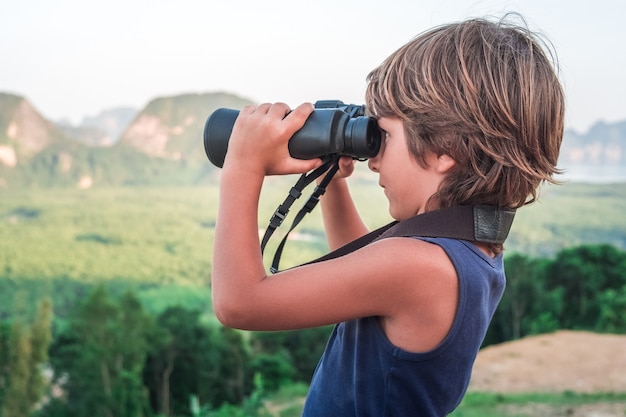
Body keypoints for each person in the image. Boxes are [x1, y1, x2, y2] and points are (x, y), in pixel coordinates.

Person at [211, 14, 564, 417]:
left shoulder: (421, 265)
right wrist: (333, 180)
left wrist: (242, 165)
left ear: (444, 149)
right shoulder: (465, 249)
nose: (373, 159)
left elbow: (238, 303)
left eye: (385, 135)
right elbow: (360, 271)